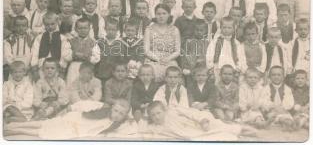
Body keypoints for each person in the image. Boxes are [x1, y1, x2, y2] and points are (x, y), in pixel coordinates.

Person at [4, 99, 132, 140]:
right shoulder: (102, 107)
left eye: (121, 114)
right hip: (74, 120)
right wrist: (70, 108)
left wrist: (129, 116)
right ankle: (16, 125)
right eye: (116, 110)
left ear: (124, 116)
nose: (117, 115)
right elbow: (85, 104)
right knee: (45, 123)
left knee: (44, 132)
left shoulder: (117, 123)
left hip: (74, 130)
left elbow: (130, 127)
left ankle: (16, 130)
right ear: (112, 107)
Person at [145, 101, 250, 141]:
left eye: (158, 113)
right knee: (220, 136)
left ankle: (250, 129)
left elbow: (191, 113)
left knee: (222, 126)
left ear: (164, 111)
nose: (157, 117)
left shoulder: (173, 111)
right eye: (153, 115)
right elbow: (147, 132)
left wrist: (202, 120)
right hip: (193, 135)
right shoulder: (156, 127)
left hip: (198, 124)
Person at [144, 4, 181, 82]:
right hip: (153, 60)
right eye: (158, 14)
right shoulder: (149, 29)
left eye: (164, 13)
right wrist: (158, 59)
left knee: (174, 75)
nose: (161, 16)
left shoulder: (174, 30)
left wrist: (167, 59)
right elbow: (146, 51)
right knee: (151, 74)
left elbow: (177, 51)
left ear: (169, 15)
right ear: (155, 15)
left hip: (170, 60)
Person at [30, 12, 72, 77]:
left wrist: (62, 66)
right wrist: (34, 66)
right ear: (44, 24)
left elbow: (65, 53)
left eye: (52, 24)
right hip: (42, 66)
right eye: (47, 24)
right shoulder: (39, 37)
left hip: (57, 66)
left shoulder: (62, 38)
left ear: (57, 22)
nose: (50, 26)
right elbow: (35, 52)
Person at [206, 16, 247, 82]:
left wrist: (239, 68)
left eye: (229, 28)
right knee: (218, 84)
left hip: (232, 68)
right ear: (220, 28)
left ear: (234, 29)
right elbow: (209, 54)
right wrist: (211, 67)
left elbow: (241, 56)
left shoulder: (236, 43)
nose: (226, 30)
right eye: (224, 27)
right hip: (218, 67)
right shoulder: (215, 41)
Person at [66, 18, 100, 86]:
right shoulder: (71, 41)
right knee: (72, 84)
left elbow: (97, 57)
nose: (83, 30)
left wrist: (86, 57)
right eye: (80, 28)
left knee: (86, 85)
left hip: (87, 67)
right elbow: (66, 55)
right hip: (74, 67)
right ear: (76, 29)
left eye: (85, 28)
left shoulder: (93, 42)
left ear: (89, 29)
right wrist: (74, 55)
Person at [264, 66, 295, 131]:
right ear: (269, 77)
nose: (276, 77)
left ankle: (284, 122)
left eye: (279, 75)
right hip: (272, 110)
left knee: (287, 117)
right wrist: (272, 106)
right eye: (273, 75)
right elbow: (264, 100)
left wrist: (283, 108)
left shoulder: (287, 88)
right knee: (271, 116)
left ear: (283, 77)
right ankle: (279, 121)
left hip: (283, 110)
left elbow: (290, 101)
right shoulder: (266, 88)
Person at [94, 18, 123, 86]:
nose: (111, 31)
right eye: (109, 29)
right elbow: (96, 57)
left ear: (117, 30)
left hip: (114, 73)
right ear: (105, 29)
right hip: (101, 72)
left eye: (113, 30)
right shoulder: (100, 42)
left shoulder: (120, 43)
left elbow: (121, 59)